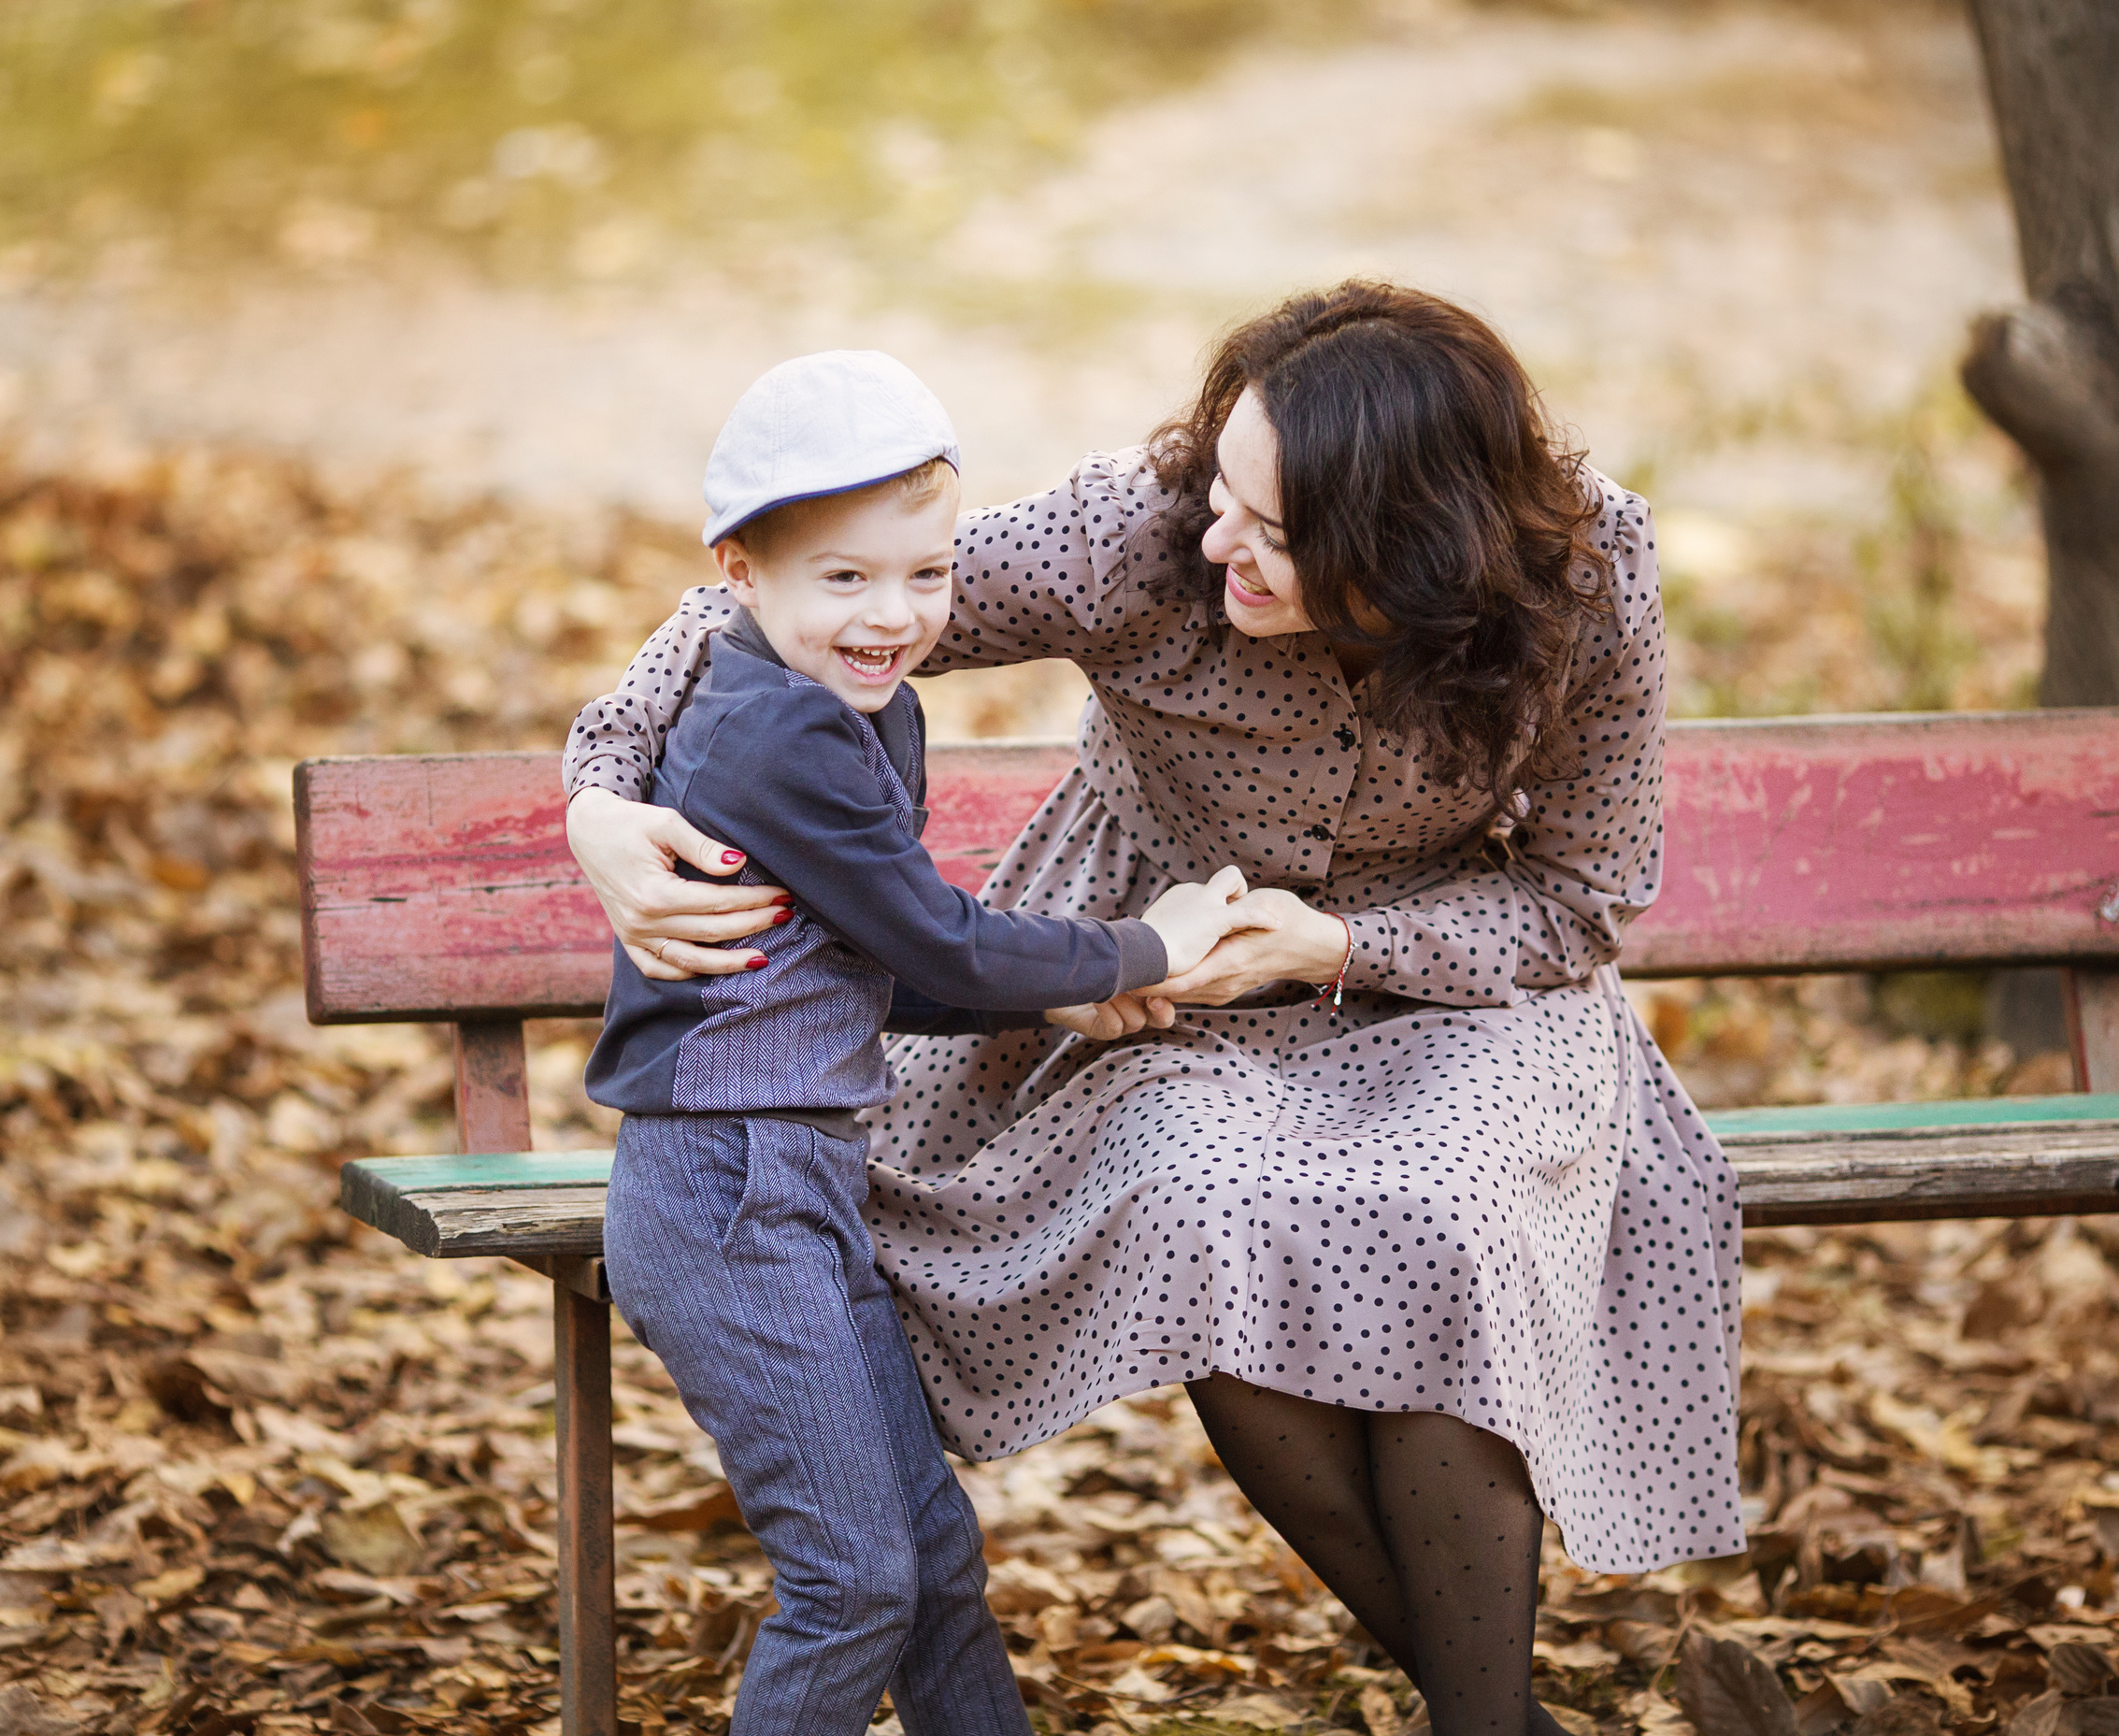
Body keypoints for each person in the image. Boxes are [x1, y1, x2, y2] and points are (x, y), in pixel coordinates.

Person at [566, 285, 1743, 1736]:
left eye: (1274, 528)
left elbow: (1580, 897)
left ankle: (1483, 1722)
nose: (1215, 539)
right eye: (1223, 489)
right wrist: (600, 802)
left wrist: (1339, 940)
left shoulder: (1589, 572)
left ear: (1412, 553)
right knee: (1195, 1201)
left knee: (1454, 1215)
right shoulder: (1138, 533)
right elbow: (755, 598)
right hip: (1172, 976)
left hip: (1462, 989)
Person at [586, 350, 1257, 1736]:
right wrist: (1153, 946)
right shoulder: (771, 735)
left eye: (926, 573)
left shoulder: (854, 705)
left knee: (932, 1559)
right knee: (854, 1580)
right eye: (845, 578)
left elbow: (877, 967)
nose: (895, 615)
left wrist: (1060, 996)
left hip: (803, 1179)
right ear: (739, 570)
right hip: (726, 1193)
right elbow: (942, 939)